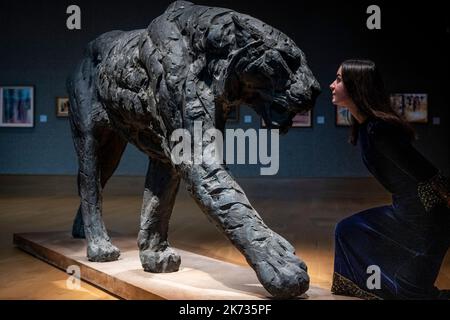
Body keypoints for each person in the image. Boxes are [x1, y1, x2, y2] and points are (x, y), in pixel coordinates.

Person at [329, 59, 450, 300]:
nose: (332, 85)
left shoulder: (378, 129)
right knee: (347, 230)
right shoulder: (365, 127)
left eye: (339, 79)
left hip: (422, 219)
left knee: (413, 294)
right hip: (407, 211)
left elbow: (426, 171)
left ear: (356, 85)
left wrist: (444, 202)